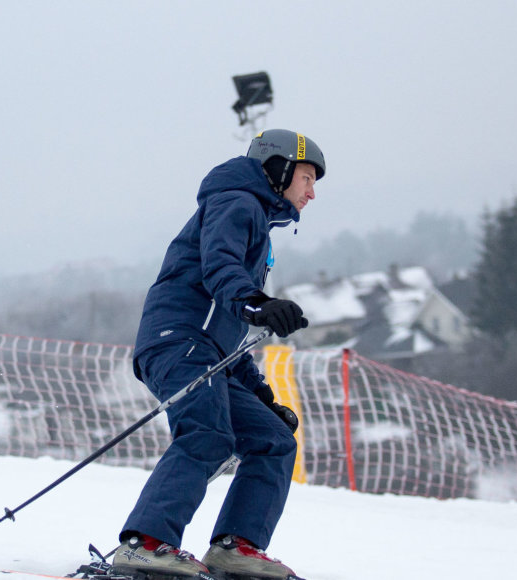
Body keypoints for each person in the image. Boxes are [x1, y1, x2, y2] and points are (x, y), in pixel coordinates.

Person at [111, 129, 325, 580]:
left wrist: (259, 393)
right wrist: (259, 303)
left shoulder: (256, 219)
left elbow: (224, 328)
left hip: (206, 350)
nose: (310, 192)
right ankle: (145, 543)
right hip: (177, 340)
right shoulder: (237, 202)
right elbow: (220, 267)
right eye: (306, 178)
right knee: (207, 432)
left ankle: (236, 546)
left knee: (272, 438)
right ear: (279, 169)